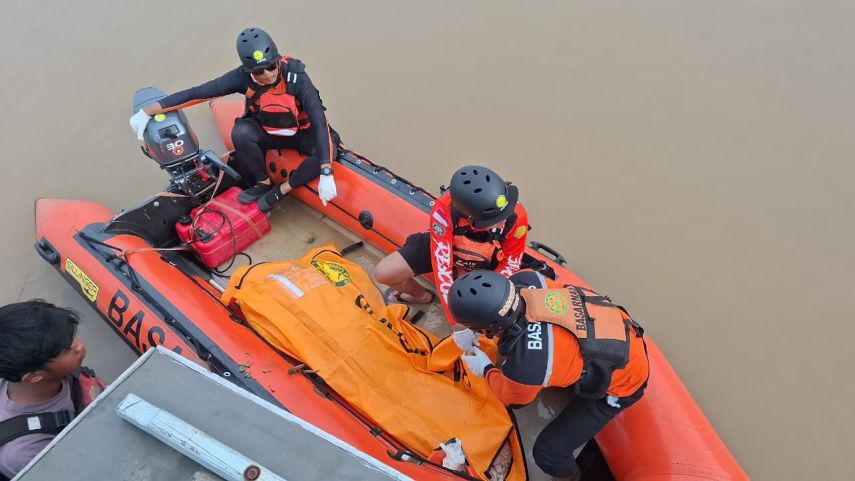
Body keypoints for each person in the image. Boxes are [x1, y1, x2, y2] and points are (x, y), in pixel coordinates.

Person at [447, 270, 649, 481]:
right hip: (621, 335)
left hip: (624, 384)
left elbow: (513, 399)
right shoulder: (528, 279)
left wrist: (486, 368)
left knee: (548, 454)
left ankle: (573, 477)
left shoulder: (525, 367)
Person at [129, 27, 338, 212]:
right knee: (240, 132)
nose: (267, 74)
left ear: (277, 60)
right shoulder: (241, 78)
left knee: (329, 150)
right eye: (258, 71)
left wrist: (326, 172)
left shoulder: (297, 77)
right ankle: (263, 182)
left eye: (271, 66)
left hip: (302, 133)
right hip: (267, 131)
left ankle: (281, 190)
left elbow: (319, 120)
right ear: (248, 70)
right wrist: (148, 111)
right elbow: (198, 92)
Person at [374, 165, 529, 350]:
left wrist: (487, 296)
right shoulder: (443, 210)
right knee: (384, 272)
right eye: (495, 220)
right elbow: (442, 265)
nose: (503, 220)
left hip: (487, 261)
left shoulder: (516, 216)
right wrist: (456, 322)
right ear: (471, 217)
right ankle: (420, 296)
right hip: (452, 248)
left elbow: (511, 262)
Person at [0, 300, 104, 480]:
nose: (79, 345)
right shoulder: (25, 453)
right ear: (34, 377)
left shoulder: (52, 372)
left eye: (72, 337)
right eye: (66, 349)